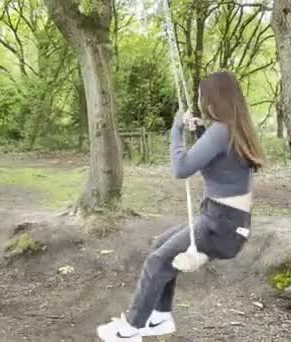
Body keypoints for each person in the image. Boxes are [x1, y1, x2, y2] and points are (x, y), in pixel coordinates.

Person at [97, 71, 265, 341]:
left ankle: (130, 330)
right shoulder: (235, 129)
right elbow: (218, 163)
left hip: (219, 225)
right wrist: (199, 131)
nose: (199, 100)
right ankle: (161, 317)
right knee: (160, 245)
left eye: (201, 95)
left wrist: (175, 131)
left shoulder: (221, 131)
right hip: (228, 223)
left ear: (212, 100)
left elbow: (182, 168)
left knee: (156, 261)